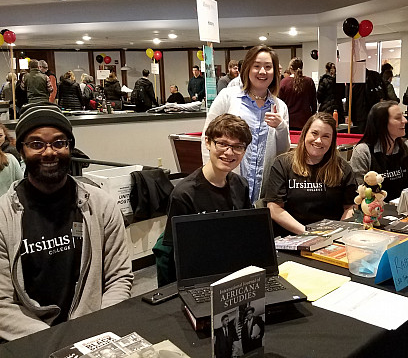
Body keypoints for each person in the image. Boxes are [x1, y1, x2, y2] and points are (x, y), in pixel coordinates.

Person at [0, 102, 133, 341]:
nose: (49, 152)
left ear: (70, 147)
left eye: (59, 143)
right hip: (30, 342)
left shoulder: (101, 205)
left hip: (95, 334)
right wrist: (58, 341)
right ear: (21, 150)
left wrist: (96, 332)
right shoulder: (2, 216)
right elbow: (2, 303)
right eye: (37, 144)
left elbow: (119, 277)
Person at [157, 113, 253, 285]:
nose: (229, 152)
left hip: (231, 270)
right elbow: (179, 255)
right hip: (199, 275)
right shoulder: (184, 194)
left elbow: (246, 235)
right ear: (207, 142)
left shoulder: (241, 186)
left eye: (238, 147)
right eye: (222, 144)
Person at [203, 45, 289, 204]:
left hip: (263, 189)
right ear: (247, 68)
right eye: (256, 66)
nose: (262, 72)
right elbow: (207, 137)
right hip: (226, 184)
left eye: (268, 67)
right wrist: (211, 179)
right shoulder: (228, 97)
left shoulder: (280, 106)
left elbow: (283, 152)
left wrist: (281, 126)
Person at [265, 112, 356, 235]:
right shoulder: (282, 164)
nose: (318, 140)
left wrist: (337, 233)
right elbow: (274, 208)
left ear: (332, 141)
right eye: (314, 133)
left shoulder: (342, 168)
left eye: (326, 136)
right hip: (291, 237)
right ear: (304, 134)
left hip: (331, 238)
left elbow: (350, 207)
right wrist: (308, 233)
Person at [350, 101, 408, 201]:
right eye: (398, 118)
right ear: (381, 123)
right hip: (375, 211)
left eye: (403, 116)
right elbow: (360, 193)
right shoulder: (363, 151)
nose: (405, 121)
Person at [278, 57, 317, 130]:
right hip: (305, 120)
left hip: (289, 120)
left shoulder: (284, 82)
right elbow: (313, 102)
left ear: (291, 68)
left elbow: (280, 102)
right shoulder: (309, 81)